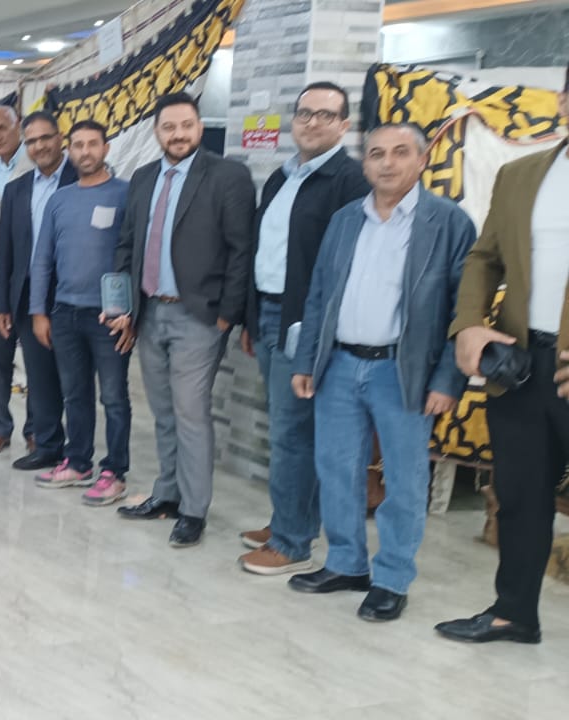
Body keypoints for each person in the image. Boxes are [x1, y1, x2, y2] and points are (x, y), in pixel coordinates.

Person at [286, 123, 474, 622]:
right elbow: (320, 294)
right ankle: (346, 563)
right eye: (376, 154)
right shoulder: (346, 219)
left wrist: (447, 379)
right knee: (336, 469)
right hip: (339, 366)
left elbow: (465, 310)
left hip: (403, 371)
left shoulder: (449, 223)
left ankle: (392, 578)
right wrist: (307, 360)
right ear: (364, 162)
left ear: (422, 159)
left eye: (399, 152)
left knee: (405, 480)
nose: (387, 163)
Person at [437, 67, 569, 644]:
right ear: (562, 100)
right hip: (521, 364)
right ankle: (514, 612)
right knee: (519, 496)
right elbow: (484, 258)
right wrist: (469, 324)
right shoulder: (521, 175)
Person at [110, 92, 255, 548]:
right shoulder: (143, 177)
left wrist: (227, 315)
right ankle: (167, 494)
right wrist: (123, 307)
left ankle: (193, 510)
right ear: (156, 132)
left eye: (186, 125)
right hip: (149, 312)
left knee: (191, 414)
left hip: (199, 315)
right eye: (169, 127)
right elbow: (127, 245)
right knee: (163, 412)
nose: (178, 134)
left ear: (199, 127)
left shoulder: (227, 176)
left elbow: (241, 250)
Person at [237, 82, 371, 576]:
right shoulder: (281, 176)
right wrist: (251, 317)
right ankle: (289, 522)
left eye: (325, 115)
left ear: (344, 125)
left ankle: (292, 543)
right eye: (304, 113)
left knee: (292, 433)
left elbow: (346, 267)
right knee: (290, 429)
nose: (312, 122)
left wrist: (317, 332)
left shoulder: (349, 181)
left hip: (305, 323)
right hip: (269, 314)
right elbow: (263, 251)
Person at [28, 121, 132, 505]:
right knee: (74, 394)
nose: (85, 151)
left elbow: (135, 255)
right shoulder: (60, 199)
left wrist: (132, 314)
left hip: (109, 317)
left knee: (114, 397)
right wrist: (38, 311)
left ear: (106, 148)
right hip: (65, 313)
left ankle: (114, 471)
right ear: (68, 150)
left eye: (92, 144)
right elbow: (42, 260)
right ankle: (78, 462)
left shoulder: (125, 194)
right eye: (77, 145)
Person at [0, 111, 80, 470]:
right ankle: (47, 445)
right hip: (30, 297)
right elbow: (5, 251)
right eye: (32, 141)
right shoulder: (17, 190)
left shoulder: (83, 177)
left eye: (46, 138)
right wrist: (2, 303)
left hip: (74, 295)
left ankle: (80, 453)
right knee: (40, 378)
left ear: (60, 138)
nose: (40, 146)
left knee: (74, 380)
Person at [0, 106, 37, 456]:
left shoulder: (36, 164)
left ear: (18, 127)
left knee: (35, 359)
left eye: (2, 128)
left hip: (30, 275)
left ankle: (36, 429)